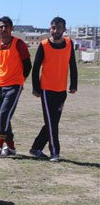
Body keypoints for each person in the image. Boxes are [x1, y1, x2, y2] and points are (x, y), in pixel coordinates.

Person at [29, 17, 77, 162]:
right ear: (50, 29)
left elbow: (73, 65)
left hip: (61, 90)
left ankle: (36, 148)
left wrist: (74, 84)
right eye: (53, 28)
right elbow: (36, 67)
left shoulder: (69, 43)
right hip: (46, 89)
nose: (56, 30)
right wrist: (36, 88)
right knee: (51, 122)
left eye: (59, 28)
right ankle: (54, 152)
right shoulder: (44, 45)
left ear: (64, 29)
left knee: (53, 122)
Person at [0, 16, 32, 157]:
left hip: (14, 85)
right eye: (1, 27)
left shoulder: (19, 44)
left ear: (12, 28)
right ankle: (11, 147)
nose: (3, 29)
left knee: (4, 115)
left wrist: (21, 80)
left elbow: (27, 65)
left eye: (6, 26)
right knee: (3, 117)